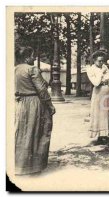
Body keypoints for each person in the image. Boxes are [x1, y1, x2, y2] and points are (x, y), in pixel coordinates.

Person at [15, 46, 56, 175]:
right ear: (27, 57)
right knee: (38, 131)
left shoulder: (14, 69)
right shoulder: (32, 69)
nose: (34, 58)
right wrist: (50, 105)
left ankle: (19, 164)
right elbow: (42, 90)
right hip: (34, 103)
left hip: (20, 103)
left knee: (22, 132)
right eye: (32, 56)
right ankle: (34, 166)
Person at [86, 49, 109, 143]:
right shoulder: (90, 69)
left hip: (106, 92)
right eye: (99, 61)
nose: (101, 63)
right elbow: (96, 83)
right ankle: (99, 136)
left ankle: (106, 134)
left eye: (102, 61)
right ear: (94, 60)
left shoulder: (104, 66)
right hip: (98, 92)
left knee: (107, 113)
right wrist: (101, 73)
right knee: (99, 113)